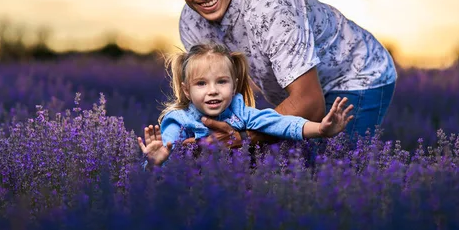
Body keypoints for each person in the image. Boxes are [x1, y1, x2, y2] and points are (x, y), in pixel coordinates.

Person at [164, 0, 396, 144]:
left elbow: (309, 103)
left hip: (355, 74)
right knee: (287, 166)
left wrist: (242, 139)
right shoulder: (190, 23)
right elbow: (215, 100)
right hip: (295, 92)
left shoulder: (271, 7)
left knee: (335, 168)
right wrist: (184, 144)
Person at [137, 43, 353, 166]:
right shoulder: (179, 120)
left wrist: (321, 129)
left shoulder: (240, 112)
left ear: (234, 86)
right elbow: (165, 153)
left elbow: (281, 123)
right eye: (201, 83)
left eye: (221, 81)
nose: (212, 90)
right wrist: (156, 161)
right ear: (186, 90)